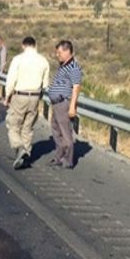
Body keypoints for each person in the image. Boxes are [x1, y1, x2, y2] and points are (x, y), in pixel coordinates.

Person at [4, 36, 50, 170]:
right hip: (35, 96)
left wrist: (7, 96)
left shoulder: (18, 59)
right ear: (35, 45)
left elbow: (11, 80)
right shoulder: (43, 61)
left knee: (13, 125)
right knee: (28, 127)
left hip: (20, 95)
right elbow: (45, 84)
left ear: (23, 45)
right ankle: (26, 156)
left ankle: (20, 148)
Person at [48, 40, 83, 169]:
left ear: (67, 51)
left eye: (60, 52)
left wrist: (72, 106)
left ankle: (67, 160)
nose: (58, 55)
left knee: (65, 132)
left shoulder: (74, 67)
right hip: (56, 103)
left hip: (64, 103)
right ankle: (59, 155)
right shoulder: (63, 66)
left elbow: (76, 87)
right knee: (56, 130)